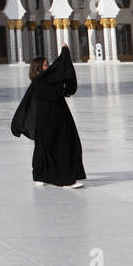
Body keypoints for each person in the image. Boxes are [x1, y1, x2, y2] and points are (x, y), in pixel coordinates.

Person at [11, 45, 85, 188]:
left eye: (48, 64)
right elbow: (57, 75)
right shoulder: (40, 82)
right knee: (46, 147)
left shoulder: (49, 79)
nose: (49, 66)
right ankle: (61, 179)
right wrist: (64, 54)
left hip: (58, 117)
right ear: (38, 68)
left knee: (58, 145)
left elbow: (61, 74)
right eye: (45, 65)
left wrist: (65, 55)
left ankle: (48, 175)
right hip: (46, 120)